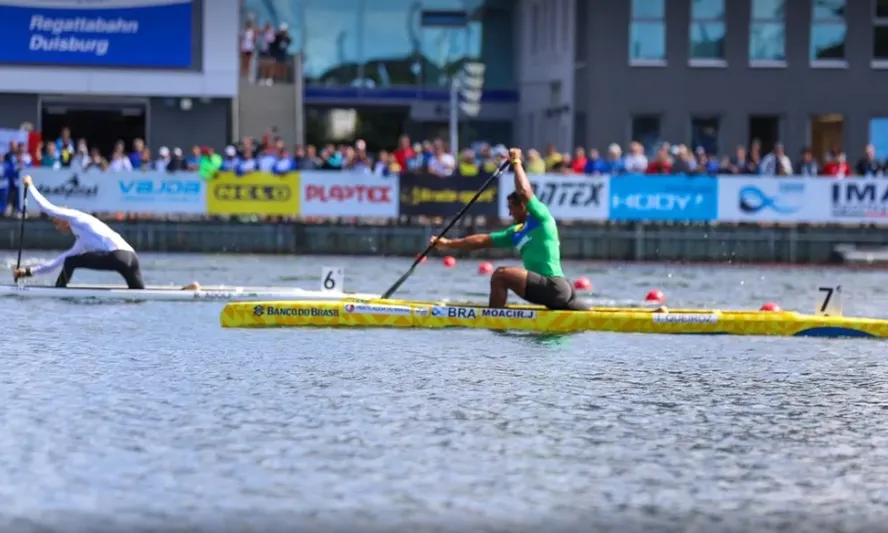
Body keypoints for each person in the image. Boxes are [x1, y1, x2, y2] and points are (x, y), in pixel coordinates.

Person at [428, 148, 588, 311]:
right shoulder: (516, 232)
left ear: (524, 206)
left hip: (553, 285)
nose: (510, 213)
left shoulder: (541, 217)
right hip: (554, 291)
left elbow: (524, 192)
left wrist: (517, 163)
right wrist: (448, 243)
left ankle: (493, 320)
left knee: (500, 275)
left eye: (512, 208)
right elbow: (482, 240)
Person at [12, 175, 200, 290]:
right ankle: (186, 290)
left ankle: (59, 291)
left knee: (72, 262)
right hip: (131, 257)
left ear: (63, 218)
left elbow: (47, 207)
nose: (55, 225)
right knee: (139, 294)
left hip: (117, 256)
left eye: (55, 222)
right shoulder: (82, 240)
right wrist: (27, 272)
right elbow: (56, 263)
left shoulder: (76, 217)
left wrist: (30, 186)